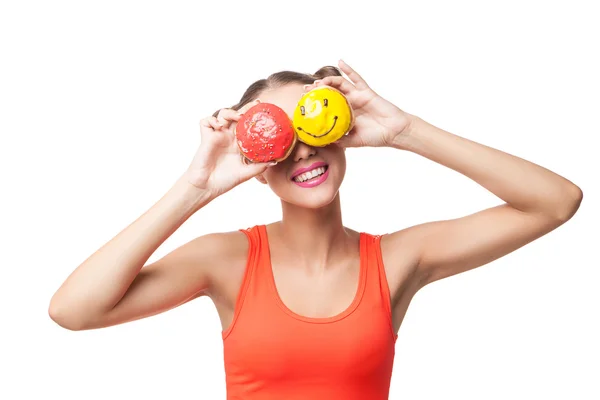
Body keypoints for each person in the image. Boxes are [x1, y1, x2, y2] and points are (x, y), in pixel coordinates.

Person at [48, 60, 583, 399]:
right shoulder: (226, 260)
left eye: (310, 123)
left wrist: (405, 131)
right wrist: (197, 187)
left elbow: (555, 202)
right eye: (277, 136)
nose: (302, 148)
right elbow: (74, 310)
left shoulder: (398, 260)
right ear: (256, 162)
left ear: (339, 130)